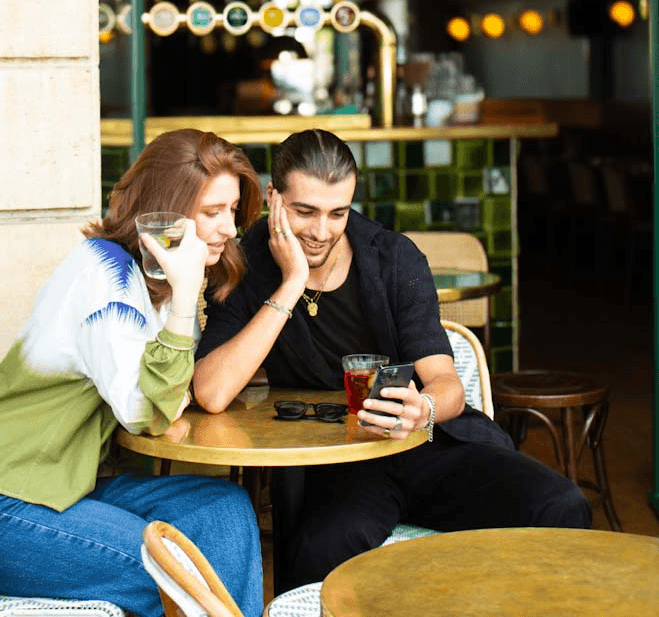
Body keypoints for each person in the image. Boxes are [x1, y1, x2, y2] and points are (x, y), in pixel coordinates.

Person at [193, 128, 591, 588]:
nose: (321, 232)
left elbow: (447, 385)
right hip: (337, 467)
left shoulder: (394, 258)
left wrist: (425, 410)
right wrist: (290, 283)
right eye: (305, 212)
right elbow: (211, 390)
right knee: (317, 550)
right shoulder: (246, 266)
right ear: (273, 197)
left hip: (425, 445)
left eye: (337, 213)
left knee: (561, 504)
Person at [0, 129, 264, 617]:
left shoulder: (153, 282)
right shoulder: (104, 280)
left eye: (232, 211)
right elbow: (145, 412)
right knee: (170, 570)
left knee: (225, 511)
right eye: (212, 212)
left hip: (68, 489)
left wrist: (182, 292)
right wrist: (188, 286)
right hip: (0, 504)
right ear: (165, 211)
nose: (230, 230)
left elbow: (174, 396)